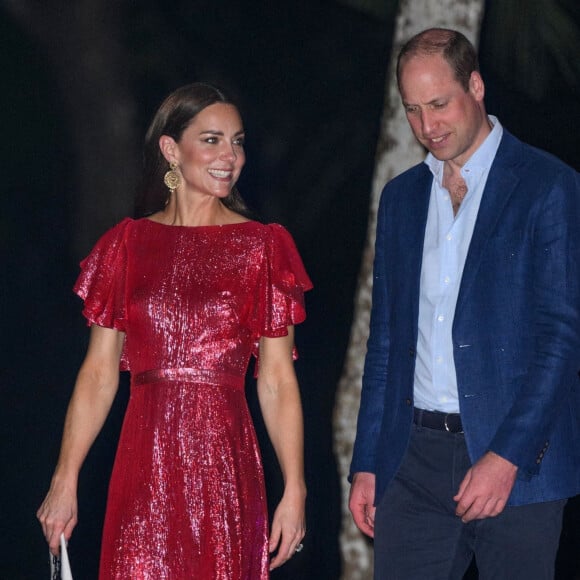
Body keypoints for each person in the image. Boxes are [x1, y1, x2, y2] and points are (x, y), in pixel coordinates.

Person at [37, 82, 312, 579]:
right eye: (212, 140)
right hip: (143, 464)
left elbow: (275, 380)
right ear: (170, 149)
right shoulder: (127, 245)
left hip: (224, 466)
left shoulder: (262, 248)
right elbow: (99, 374)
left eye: (238, 141)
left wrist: (295, 489)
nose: (231, 155)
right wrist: (65, 478)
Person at [349, 28, 580, 580]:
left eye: (439, 103)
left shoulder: (548, 185)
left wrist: (507, 457)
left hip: (517, 460)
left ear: (475, 86)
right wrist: (367, 462)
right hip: (412, 459)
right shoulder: (402, 198)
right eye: (412, 110)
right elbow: (384, 341)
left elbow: (562, 336)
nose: (428, 127)